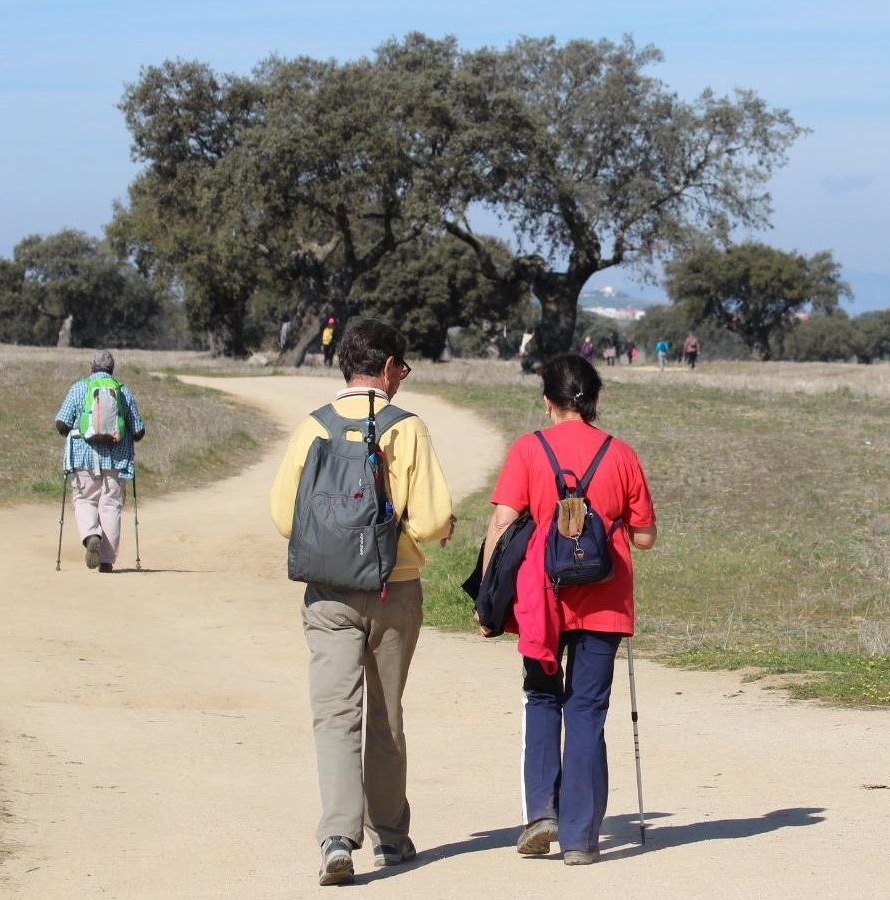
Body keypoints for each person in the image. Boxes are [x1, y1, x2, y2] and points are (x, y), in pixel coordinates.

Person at [269, 318, 457, 886]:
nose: (402, 377)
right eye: (401, 366)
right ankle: (392, 836)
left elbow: (284, 516)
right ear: (387, 367)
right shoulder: (408, 428)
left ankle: (336, 838)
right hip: (393, 589)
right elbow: (429, 520)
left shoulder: (314, 426)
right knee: (385, 715)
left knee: (334, 716)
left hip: (327, 592)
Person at [476, 354, 657, 866]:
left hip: (541, 600)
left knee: (541, 697)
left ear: (547, 401)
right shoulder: (620, 454)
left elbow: (501, 524)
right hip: (604, 600)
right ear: (593, 399)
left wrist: (488, 597)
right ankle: (580, 838)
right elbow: (644, 537)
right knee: (587, 711)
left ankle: (541, 813)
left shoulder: (528, 449)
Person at [53, 350, 146, 574]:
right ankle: (106, 561)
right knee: (111, 506)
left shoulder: (79, 388)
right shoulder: (123, 391)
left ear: (91, 368)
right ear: (112, 369)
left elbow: (61, 423)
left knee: (84, 499)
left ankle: (91, 535)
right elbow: (138, 431)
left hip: (83, 457)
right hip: (116, 460)